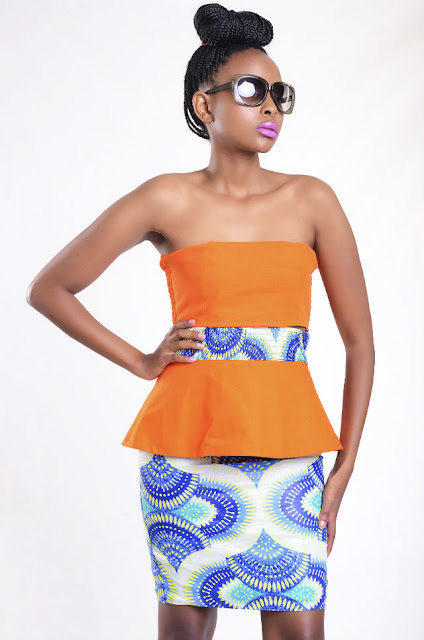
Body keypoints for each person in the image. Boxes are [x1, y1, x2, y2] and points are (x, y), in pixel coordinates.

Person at [26, 3, 375, 639]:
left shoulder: (312, 199)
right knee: (185, 632)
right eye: (251, 90)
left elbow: (360, 341)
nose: (270, 107)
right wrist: (141, 361)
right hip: (185, 451)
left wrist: (344, 467)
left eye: (280, 94)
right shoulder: (167, 197)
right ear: (204, 105)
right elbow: (51, 289)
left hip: (290, 453)